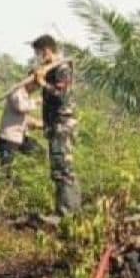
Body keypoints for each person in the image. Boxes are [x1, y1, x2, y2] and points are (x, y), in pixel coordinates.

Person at [30, 34, 81, 215]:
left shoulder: (62, 68)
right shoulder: (50, 69)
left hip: (62, 124)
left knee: (63, 168)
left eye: (38, 53)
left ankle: (68, 212)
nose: (37, 57)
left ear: (46, 51)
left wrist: (43, 83)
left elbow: (61, 95)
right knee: (58, 169)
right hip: (54, 125)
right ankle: (64, 210)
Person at [0, 78, 44, 172]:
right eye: (36, 86)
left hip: (21, 137)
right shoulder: (16, 91)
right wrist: (37, 102)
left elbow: (23, 118)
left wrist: (39, 124)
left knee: (39, 153)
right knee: (5, 170)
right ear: (30, 81)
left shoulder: (26, 95)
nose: (36, 89)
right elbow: (21, 107)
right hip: (9, 138)